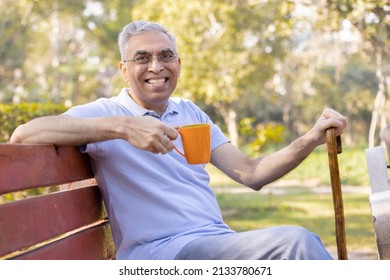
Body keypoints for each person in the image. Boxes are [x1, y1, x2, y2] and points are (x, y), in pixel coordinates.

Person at [10, 20, 347, 260]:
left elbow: (252, 172)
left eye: (165, 55)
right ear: (124, 70)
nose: (156, 66)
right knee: (295, 245)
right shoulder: (106, 113)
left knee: (298, 245)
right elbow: (26, 133)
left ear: (178, 64)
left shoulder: (190, 112)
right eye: (142, 57)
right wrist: (124, 127)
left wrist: (311, 138)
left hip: (215, 243)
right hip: (161, 255)